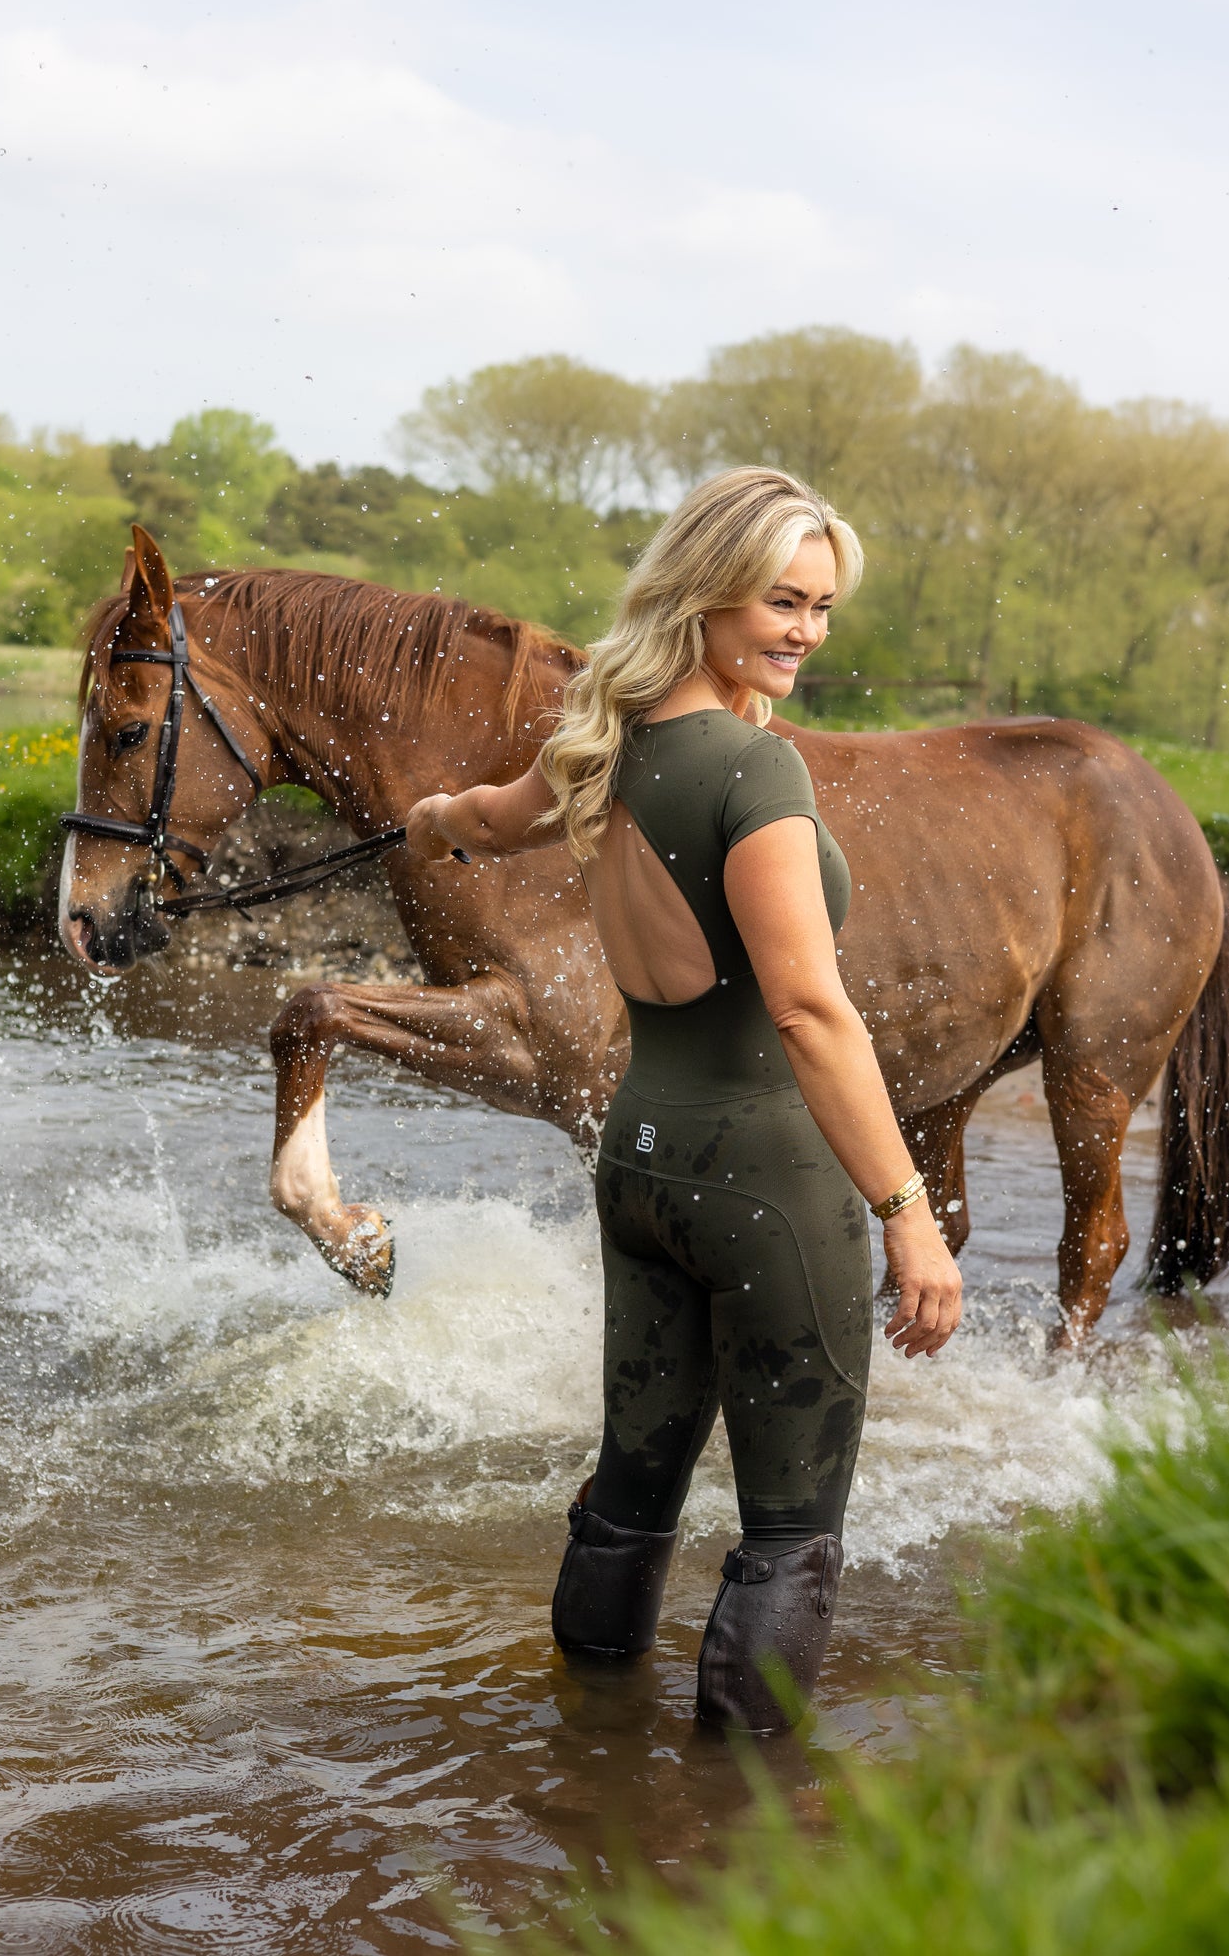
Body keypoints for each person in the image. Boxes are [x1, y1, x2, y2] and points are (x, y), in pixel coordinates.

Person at [405, 466, 962, 1734]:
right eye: (781, 599)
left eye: (820, 607)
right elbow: (810, 1012)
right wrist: (907, 1211)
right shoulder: (752, 778)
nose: (806, 631)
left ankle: (586, 1760)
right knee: (788, 1529)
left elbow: (483, 822)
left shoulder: (603, 742)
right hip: (768, 1181)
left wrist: (427, 816)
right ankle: (735, 1836)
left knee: (631, 1488)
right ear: (706, 590)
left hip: (638, 1167)